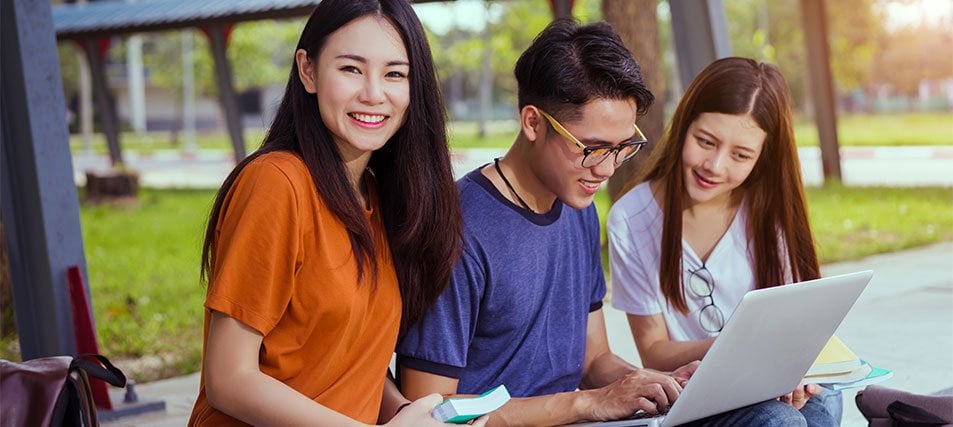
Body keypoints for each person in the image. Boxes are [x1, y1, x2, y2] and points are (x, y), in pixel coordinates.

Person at [397, 21, 811, 426]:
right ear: (534, 123)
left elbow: (594, 360)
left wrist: (657, 384)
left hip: (586, 419)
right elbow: (429, 406)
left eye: (623, 148)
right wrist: (586, 405)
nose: (608, 169)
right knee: (776, 421)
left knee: (806, 408)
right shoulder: (456, 229)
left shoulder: (578, 207)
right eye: (593, 149)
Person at [187, 1, 481, 425]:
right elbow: (229, 379)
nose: (374, 94)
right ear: (308, 71)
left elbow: (346, 358)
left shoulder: (379, 197)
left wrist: (407, 413)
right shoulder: (276, 183)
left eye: (394, 74)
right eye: (351, 69)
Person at [607, 57, 840, 425]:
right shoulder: (632, 218)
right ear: (684, 126)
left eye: (741, 155)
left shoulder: (769, 210)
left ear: (762, 159)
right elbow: (653, 351)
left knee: (821, 404)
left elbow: (797, 322)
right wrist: (729, 350)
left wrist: (793, 366)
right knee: (780, 421)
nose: (714, 166)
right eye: (706, 141)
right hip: (694, 394)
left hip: (770, 381)